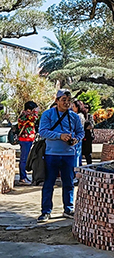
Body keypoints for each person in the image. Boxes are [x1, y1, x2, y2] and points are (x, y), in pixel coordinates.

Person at [37, 89, 84, 223]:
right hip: (51, 154)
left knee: (68, 182)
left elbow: (81, 132)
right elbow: (43, 132)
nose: (66, 103)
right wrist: (59, 136)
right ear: (57, 100)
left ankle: (68, 209)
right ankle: (46, 211)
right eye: (63, 100)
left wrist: (76, 139)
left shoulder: (74, 117)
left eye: (69, 100)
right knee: (49, 183)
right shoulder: (48, 115)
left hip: (69, 154)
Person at [17, 101, 39, 185]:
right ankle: (22, 177)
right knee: (24, 159)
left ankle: (24, 176)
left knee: (25, 158)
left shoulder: (25, 115)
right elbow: (34, 118)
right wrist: (36, 111)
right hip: (25, 139)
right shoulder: (25, 115)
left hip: (28, 139)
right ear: (29, 109)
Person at [71, 100, 86, 167]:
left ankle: (75, 170)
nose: (72, 107)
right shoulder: (80, 115)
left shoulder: (78, 116)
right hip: (79, 137)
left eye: (73, 106)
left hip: (76, 136)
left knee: (76, 154)